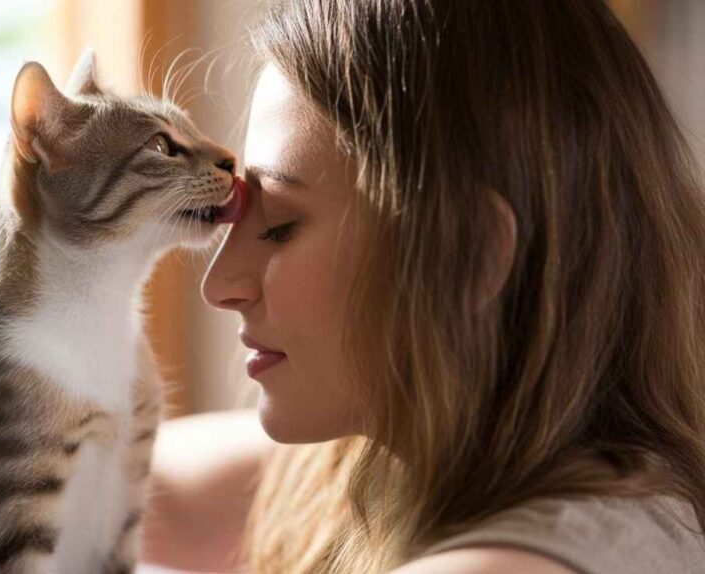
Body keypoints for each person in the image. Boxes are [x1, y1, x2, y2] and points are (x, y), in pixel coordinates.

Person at [140, 0, 705, 573]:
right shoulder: (384, 456)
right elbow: (108, 485)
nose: (220, 286)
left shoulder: (516, 563)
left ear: (469, 253)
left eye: (280, 228)